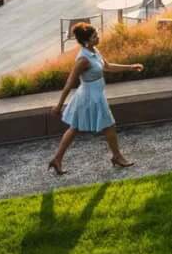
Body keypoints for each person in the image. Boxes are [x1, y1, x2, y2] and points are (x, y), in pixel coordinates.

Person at [48, 22, 143, 175]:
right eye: (94, 36)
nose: (98, 37)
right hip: (90, 97)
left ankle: (57, 159)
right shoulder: (83, 60)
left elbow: (108, 66)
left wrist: (130, 67)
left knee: (75, 128)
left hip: (95, 94)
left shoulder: (94, 50)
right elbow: (70, 82)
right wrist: (59, 106)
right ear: (86, 41)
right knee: (109, 125)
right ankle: (117, 157)